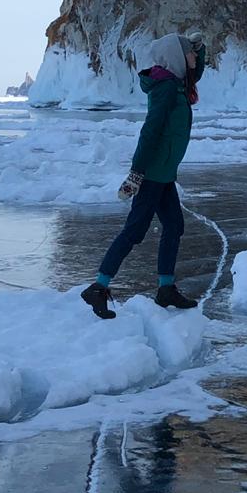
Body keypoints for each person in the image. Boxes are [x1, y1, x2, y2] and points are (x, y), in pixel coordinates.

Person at [79, 31, 207, 319]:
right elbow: (150, 131)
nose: (194, 57)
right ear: (176, 57)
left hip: (163, 174)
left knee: (174, 226)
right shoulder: (165, 89)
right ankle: (98, 287)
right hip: (152, 174)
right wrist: (137, 172)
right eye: (190, 52)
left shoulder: (175, 84)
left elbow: (195, 71)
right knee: (135, 231)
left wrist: (200, 46)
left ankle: (166, 289)